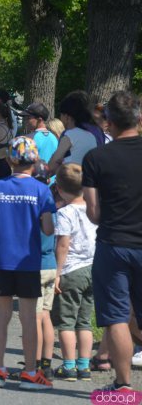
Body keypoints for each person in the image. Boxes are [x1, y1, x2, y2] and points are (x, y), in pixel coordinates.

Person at [0, 136, 55, 390]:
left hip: (3, 259)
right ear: (35, 162)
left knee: (1, 314)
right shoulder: (41, 190)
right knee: (28, 318)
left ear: (10, 159)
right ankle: (30, 373)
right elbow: (47, 229)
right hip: (29, 261)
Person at [82, 91, 142, 393]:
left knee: (117, 316)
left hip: (113, 243)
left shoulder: (96, 158)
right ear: (140, 120)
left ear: (109, 123)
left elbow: (93, 213)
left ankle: (123, 388)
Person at [50, 163, 96, 382]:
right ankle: (84, 365)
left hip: (71, 270)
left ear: (58, 188)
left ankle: (68, 366)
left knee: (66, 321)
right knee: (84, 321)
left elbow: (63, 245)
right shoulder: (93, 208)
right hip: (93, 268)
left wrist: (57, 273)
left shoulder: (64, 213)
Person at [48, 92, 98, 174]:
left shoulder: (70, 135)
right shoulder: (91, 136)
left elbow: (52, 165)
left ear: (67, 117)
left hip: (70, 183)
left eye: (61, 115)